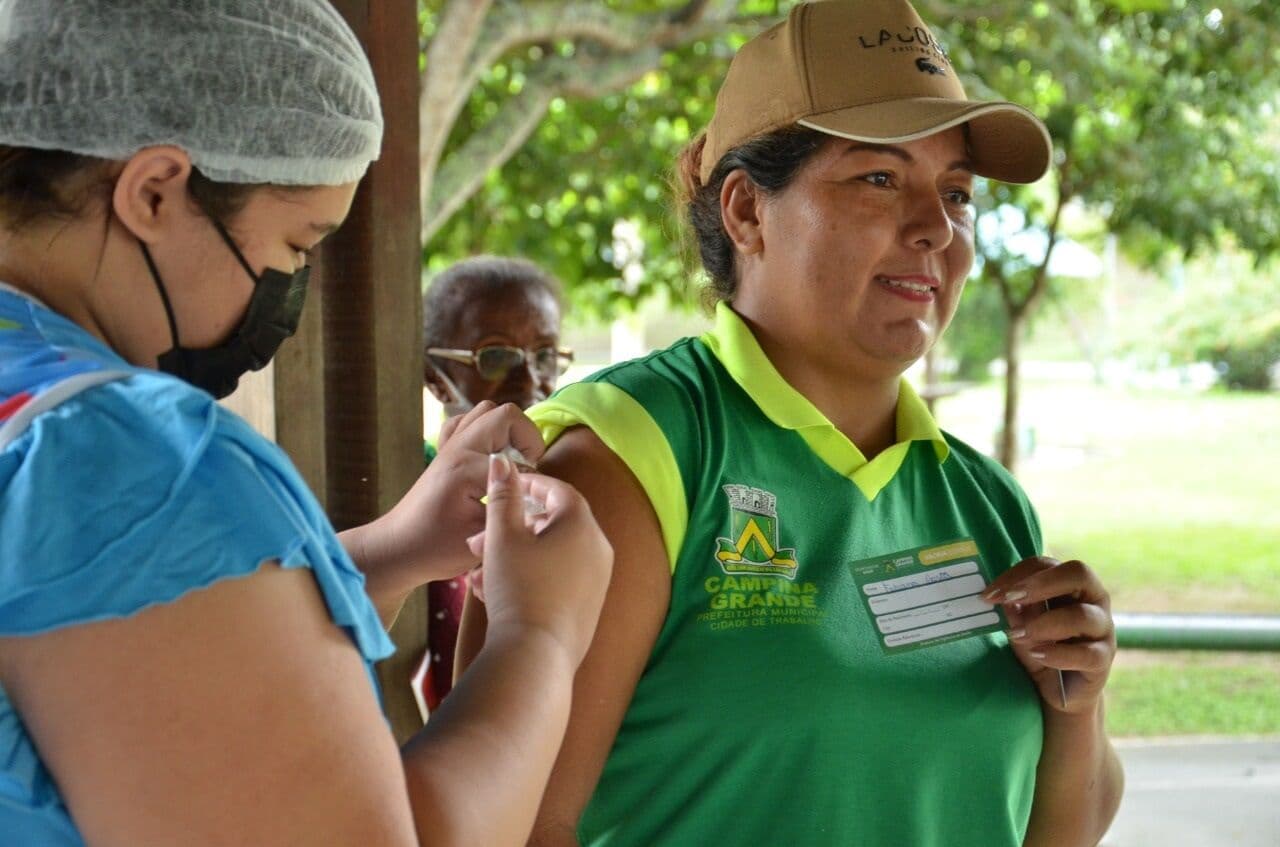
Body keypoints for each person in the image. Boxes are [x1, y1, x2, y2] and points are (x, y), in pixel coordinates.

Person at [458, 1, 1124, 845]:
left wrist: (1078, 700)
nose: (935, 229)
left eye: (955, 193)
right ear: (744, 211)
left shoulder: (983, 501)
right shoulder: (634, 455)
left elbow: (1052, 828)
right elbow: (513, 824)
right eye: (879, 178)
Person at [0, 3, 610, 845]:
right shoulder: (134, 460)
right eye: (296, 246)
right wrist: (539, 633)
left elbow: (138, 643)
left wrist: (391, 548)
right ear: (152, 191)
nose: (291, 293)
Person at [417, 256, 572, 711]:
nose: (529, 380)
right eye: (496, 356)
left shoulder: (568, 484)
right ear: (435, 380)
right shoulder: (416, 490)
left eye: (545, 355)